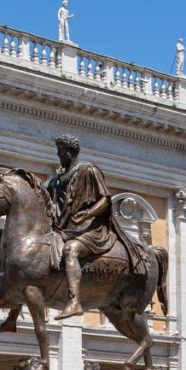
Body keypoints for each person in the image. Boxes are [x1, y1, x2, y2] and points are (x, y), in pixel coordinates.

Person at [46, 134, 148, 320]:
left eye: (60, 151)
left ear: (69, 152)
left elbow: (105, 201)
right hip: (65, 230)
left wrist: (86, 214)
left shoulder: (89, 170)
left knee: (70, 250)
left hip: (90, 229)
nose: (58, 155)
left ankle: (74, 302)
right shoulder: (59, 179)